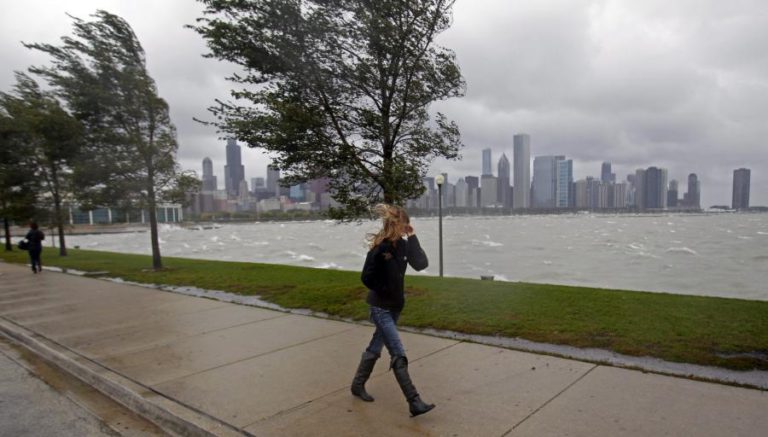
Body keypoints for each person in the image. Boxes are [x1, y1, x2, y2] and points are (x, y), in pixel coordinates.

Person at [351, 204, 435, 417]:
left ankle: (357, 385)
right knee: (397, 352)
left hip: (395, 307)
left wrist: (413, 237)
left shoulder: (404, 246)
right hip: (380, 308)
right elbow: (366, 277)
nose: (406, 226)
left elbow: (421, 264)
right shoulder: (381, 248)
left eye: (408, 224)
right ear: (395, 224)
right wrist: (385, 290)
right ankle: (414, 401)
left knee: (375, 346)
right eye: (404, 223)